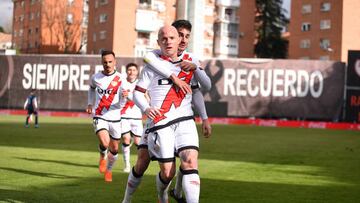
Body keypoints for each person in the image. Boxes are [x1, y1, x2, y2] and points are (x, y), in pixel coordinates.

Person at [121, 20, 211, 203]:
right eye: (165, 38)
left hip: (185, 120)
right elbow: (137, 93)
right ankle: (134, 198)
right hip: (160, 123)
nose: (170, 41)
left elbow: (203, 89)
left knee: (191, 160)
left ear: (180, 40)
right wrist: (147, 108)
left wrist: (204, 117)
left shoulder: (191, 62)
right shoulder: (152, 63)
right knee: (157, 169)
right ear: (159, 42)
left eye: (174, 38)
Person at [86, 50, 126, 182]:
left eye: (110, 62)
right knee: (105, 142)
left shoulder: (120, 78)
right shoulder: (96, 77)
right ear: (101, 63)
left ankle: (108, 171)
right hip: (100, 115)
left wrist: (124, 98)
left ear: (115, 62)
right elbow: (91, 88)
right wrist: (90, 104)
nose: (107, 64)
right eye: (105, 62)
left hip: (115, 117)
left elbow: (122, 103)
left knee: (114, 149)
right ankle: (102, 155)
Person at [120, 63, 143, 173]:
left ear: (137, 72)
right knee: (126, 139)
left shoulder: (141, 83)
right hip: (123, 115)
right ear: (126, 71)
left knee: (139, 143)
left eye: (134, 70)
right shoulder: (122, 83)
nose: (132, 72)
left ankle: (138, 165)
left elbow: (145, 98)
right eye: (129, 70)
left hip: (137, 116)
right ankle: (127, 165)